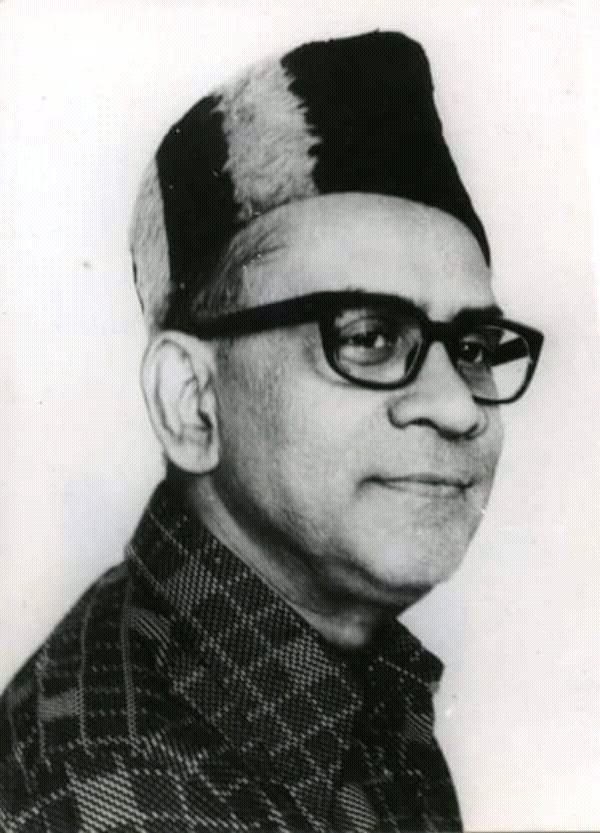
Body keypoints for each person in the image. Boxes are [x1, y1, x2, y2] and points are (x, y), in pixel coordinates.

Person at [0, 30, 543, 833]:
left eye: (472, 348)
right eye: (368, 336)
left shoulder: (341, 693)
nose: (459, 407)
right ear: (192, 401)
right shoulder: (125, 785)